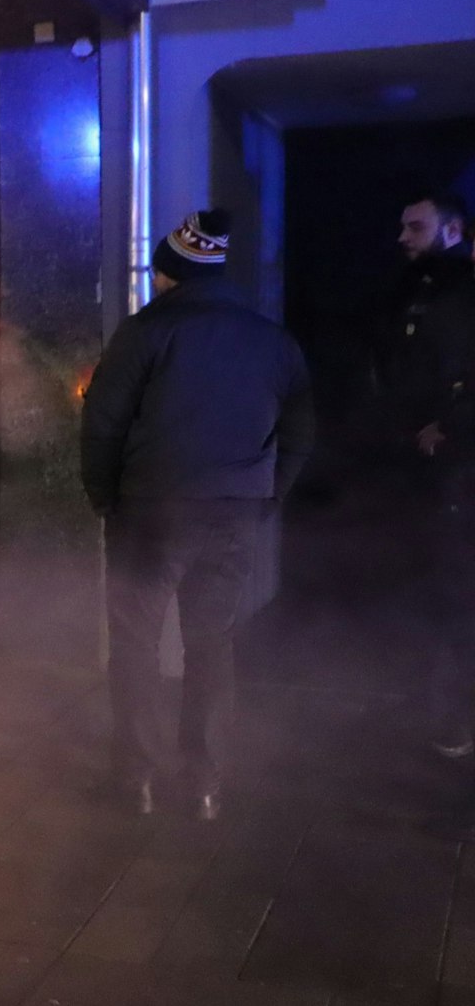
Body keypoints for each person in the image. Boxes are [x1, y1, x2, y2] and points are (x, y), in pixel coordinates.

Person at [82, 209, 313, 822]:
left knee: (135, 642)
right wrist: (265, 498)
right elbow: (299, 433)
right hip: (234, 512)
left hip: (151, 510)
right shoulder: (273, 341)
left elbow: (102, 423)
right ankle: (204, 783)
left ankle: (137, 781)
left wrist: (103, 495)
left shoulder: (145, 332)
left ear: (169, 273)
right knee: (211, 641)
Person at [376, 193, 475, 758]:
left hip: (455, 467)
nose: (403, 237)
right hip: (414, 460)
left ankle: (453, 720)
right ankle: (432, 700)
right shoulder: (413, 288)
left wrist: (450, 426)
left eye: (416, 227)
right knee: (425, 582)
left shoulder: (461, 292)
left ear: (453, 230)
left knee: (455, 592)